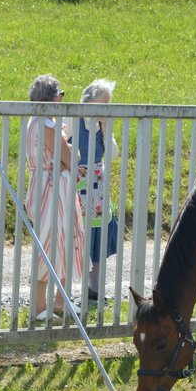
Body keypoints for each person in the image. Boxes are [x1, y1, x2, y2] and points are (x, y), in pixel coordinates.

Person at [25, 74, 85, 321]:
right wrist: (69, 157)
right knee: (49, 242)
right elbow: (70, 158)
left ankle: (60, 301)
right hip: (51, 188)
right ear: (49, 98)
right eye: (60, 94)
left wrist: (67, 158)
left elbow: (67, 158)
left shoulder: (37, 123)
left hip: (52, 186)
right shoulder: (46, 125)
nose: (63, 98)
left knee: (62, 240)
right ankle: (39, 306)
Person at [70, 79, 120, 303]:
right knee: (77, 236)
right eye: (103, 103)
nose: (106, 108)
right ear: (88, 101)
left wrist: (107, 129)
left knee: (99, 238)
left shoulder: (102, 127)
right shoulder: (73, 120)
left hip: (98, 188)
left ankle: (95, 290)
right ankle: (66, 292)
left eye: (109, 104)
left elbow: (112, 154)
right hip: (76, 186)